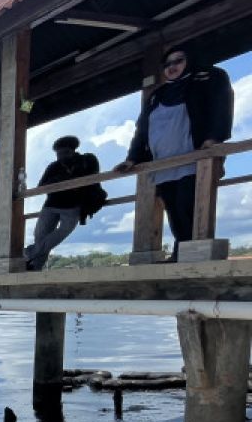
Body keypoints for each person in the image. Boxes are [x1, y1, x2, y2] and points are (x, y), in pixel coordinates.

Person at [116, 46, 234, 261]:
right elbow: (142, 129)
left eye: (178, 61)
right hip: (164, 163)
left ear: (190, 61)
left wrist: (214, 138)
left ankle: (194, 254)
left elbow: (221, 107)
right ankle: (181, 250)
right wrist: (132, 158)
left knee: (188, 204)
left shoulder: (208, 79)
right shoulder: (157, 95)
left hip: (195, 158)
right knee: (173, 209)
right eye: (168, 64)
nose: (172, 67)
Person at [24, 136, 101, 270]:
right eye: (58, 154)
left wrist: (70, 181)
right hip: (51, 205)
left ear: (73, 150)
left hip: (73, 206)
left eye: (65, 152)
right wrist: (64, 180)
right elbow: (41, 186)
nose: (61, 156)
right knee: (40, 236)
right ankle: (35, 267)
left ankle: (29, 254)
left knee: (63, 231)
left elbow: (92, 178)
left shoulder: (87, 160)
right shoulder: (54, 166)